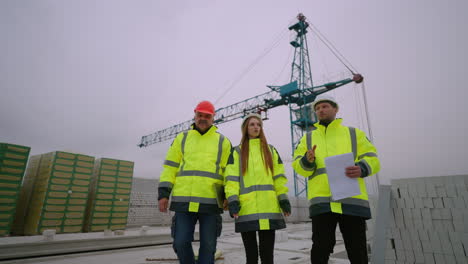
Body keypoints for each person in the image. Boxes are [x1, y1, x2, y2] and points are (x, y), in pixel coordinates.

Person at [292, 94, 380, 264]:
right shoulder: (307, 138)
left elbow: (373, 159)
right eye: (317, 108)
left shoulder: (354, 133)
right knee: (320, 249)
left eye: (324, 106)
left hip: (351, 200)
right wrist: (306, 161)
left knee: (357, 250)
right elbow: (298, 167)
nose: (320, 110)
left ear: (335, 109)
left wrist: (361, 168)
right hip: (322, 202)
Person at [158, 100, 232, 264]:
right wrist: (163, 194)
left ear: (213, 118)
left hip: (211, 203)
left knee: (208, 246)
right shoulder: (182, 138)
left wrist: (229, 195)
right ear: (195, 115)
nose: (203, 118)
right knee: (180, 242)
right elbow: (170, 167)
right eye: (200, 115)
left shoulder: (223, 142)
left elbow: (230, 173)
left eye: (207, 116)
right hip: (184, 201)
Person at [225, 113, 291, 264]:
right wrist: (233, 201)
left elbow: (279, 178)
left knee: (268, 256)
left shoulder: (271, 150)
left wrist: (283, 199)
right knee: (251, 256)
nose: (256, 127)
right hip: (246, 209)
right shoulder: (237, 152)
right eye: (252, 124)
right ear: (245, 129)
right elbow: (231, 179)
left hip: (269, 208)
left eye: (258, 124)